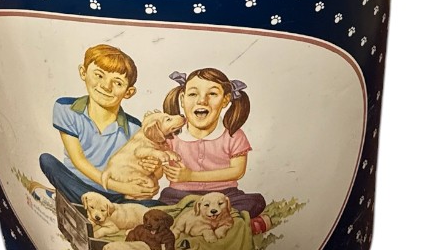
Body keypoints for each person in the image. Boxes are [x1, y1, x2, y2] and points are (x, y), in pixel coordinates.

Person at [38, 44, 156, 203]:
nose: (106, 86)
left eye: (118, 83)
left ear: (128, 92)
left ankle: (96, 205)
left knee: (155, 205)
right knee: (47, 161)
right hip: (79, 184)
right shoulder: (66, 108)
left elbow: (145, 169)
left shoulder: (135, 128)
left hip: (116, 196)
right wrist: (124, 188)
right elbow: (79, 161)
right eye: (99, 75)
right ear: (83, 72)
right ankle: (86, 202)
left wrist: (152, 176)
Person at [158, 67, 266, 218]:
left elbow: (237, 171)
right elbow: (159, 168)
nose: (202, 100)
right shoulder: (171, 135)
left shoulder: (233, 135)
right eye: (193, 94)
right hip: (179, 196)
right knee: (159, 209)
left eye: (213, 94)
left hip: (224, 195)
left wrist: (191, 176)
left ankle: (200, 218)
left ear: (225, 100)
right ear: (182, 99)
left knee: (255, 202)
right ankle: (200, 218)